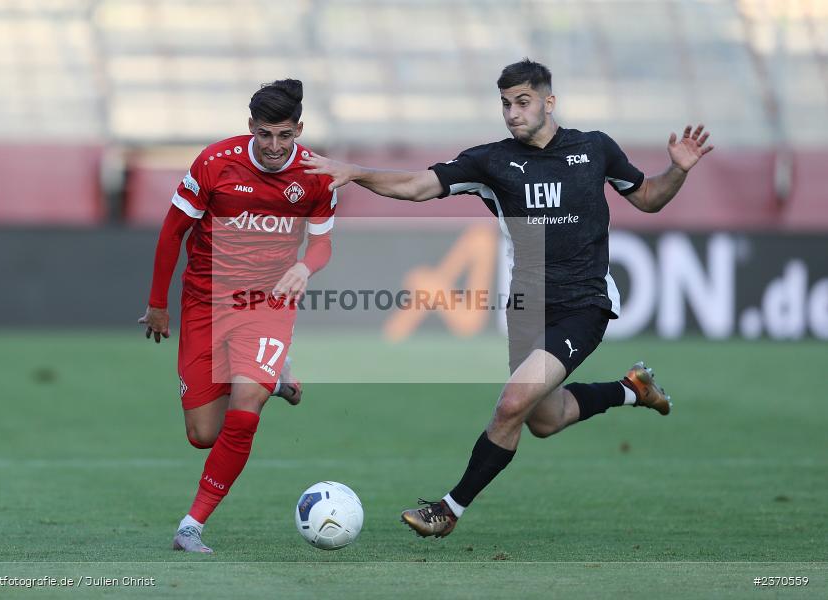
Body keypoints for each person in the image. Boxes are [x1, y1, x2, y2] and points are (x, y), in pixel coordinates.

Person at [302, 59, 713, 538]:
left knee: (511, 404)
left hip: (584, 304)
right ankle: (632, 389)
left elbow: (648, 198)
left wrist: (677, 171)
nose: (512, 114)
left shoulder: (594, 149)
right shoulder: (491, 162)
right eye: (505, 104)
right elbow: (417, 186)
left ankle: (448, 510)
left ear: (548, 102)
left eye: (522, 102)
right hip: (527, 309)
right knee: (545, 418)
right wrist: (354, 172)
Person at [139, 79, 337, 552]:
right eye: (265, 134)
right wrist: (158, 305)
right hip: (205, 302)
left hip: (268, 303)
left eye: (285, 135)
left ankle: (192, 525)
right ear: (251, 128)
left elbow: (324, 242)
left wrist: (304, 267)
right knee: (203, 435)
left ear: (299, 130)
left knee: (245, 408)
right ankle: (275, 376)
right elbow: (172, 232)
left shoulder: (317, 175)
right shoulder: (214, 163)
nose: (274, 146)